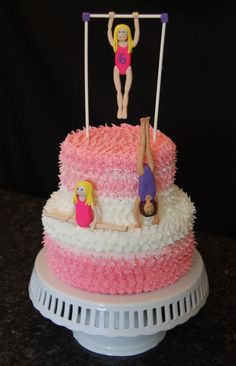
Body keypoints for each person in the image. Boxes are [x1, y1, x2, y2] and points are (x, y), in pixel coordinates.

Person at [107, 11, 140, 119]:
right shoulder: (115, 45)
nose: (121, 33)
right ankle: (119, 108)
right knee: (118, 90)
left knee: (126, 91)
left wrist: (136, 19)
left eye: (123, 31)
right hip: (117, 68)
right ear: (116, 33)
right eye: (119, 32)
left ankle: (125, 109)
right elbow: (109, 31)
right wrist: (111, 19)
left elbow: (137, 33)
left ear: (128, 33)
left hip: (127, 69)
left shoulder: (130, 44)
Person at [134, 117, 160, 228]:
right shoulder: (155, 197)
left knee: (142, 146)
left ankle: (142, 124)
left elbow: (135, 211)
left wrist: (138, 222)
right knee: (148, 147)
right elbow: (158, 210)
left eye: (147, 212)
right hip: (151, 169)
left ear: (143, 208)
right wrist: (156, 217)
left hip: (141, 171)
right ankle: (147, 123)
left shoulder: (141, 198)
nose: (149, 209)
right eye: (151, 211)